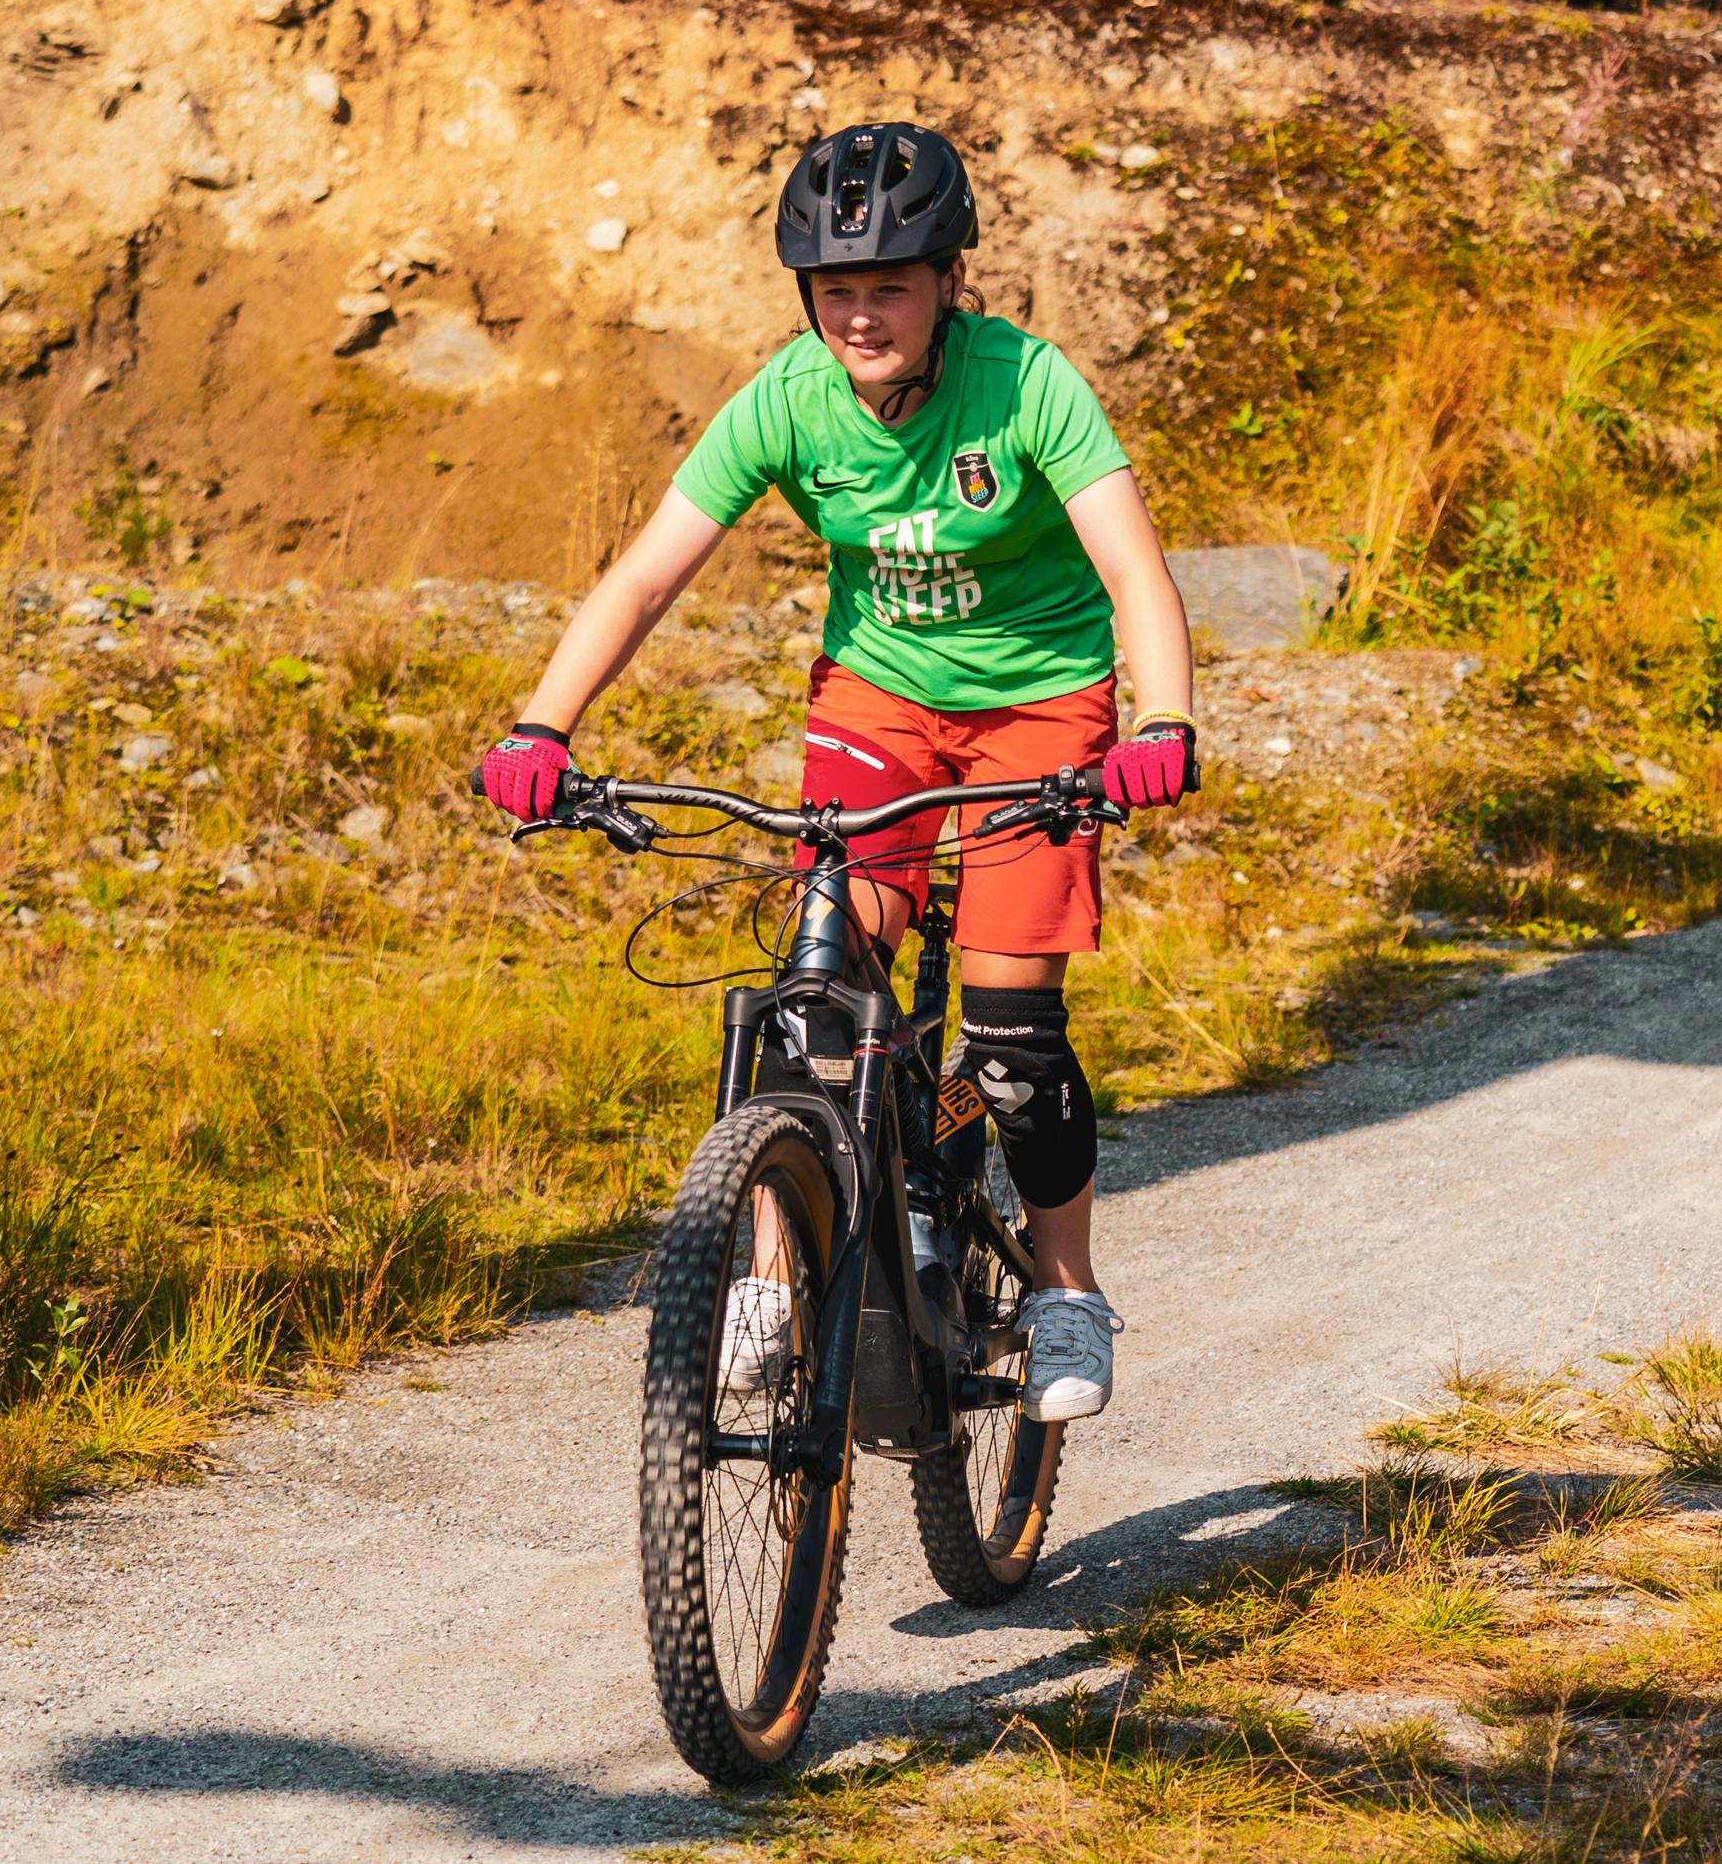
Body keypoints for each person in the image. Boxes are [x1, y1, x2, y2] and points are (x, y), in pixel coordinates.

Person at [479, 122, 1196, 1425]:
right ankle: (769, 1275)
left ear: (947, 285)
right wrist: (544, 725)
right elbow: (647, 575)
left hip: (1039, 710)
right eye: (837, 290)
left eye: (892, 287)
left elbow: (1135, 569)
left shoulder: (1027, 384)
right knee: (817, 993)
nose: (861, 315)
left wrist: (1162, 720)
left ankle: (1069, 1287)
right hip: (875, 704)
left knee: (1016, 1044)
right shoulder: (788, 399)